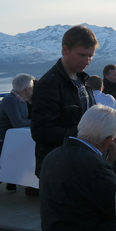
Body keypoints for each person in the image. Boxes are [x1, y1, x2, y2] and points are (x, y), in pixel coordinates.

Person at [31, 25, 98, 177]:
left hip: (80, 162)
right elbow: (41, 132)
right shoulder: (49, 84)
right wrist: (84, 134)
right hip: (58, 167)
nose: (87, 61)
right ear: (65, 50)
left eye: (90, 56)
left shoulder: (82, 80)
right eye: (81, 55)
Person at [0, 73, 34, 155]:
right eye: (32, 88)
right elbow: (18, 123)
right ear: (27, 89)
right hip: (4, 143)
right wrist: (34, 122)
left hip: (16, 140)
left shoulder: (22, 100)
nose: (33, 90)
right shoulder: (10, 100)